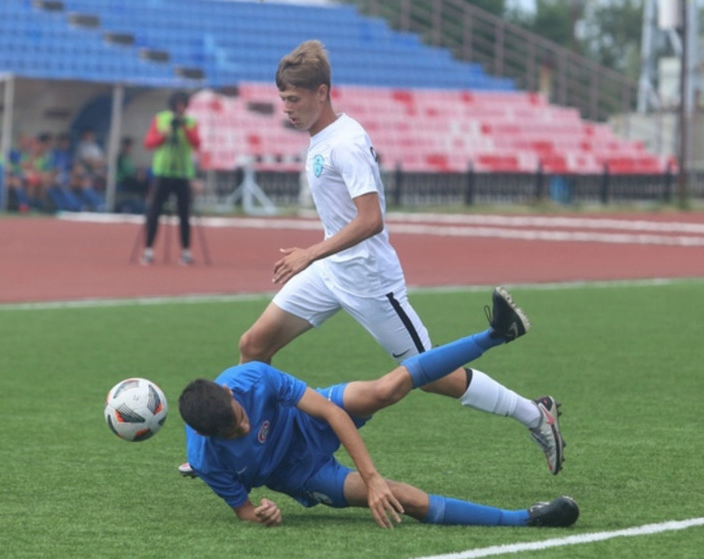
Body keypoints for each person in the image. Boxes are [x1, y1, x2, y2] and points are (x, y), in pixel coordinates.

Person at [206, 40, 563, 479]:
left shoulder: (347, 143)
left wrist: (310, 253)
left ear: (323, 92)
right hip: (331, 273)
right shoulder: (322, 138)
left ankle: (534, 414)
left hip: (370, 280)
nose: (287, 108)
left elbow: (371, 220)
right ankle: (238, 441)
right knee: (253, 346)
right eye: (282, 99)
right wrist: (318, 259)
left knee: (429, 375)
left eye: (294, 99)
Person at [179, 288, 579, 529]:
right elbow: (244, 511)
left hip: (307, 422)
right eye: (232, 434)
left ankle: (494, 334)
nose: (245, 430)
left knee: (387, 388)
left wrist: (371, 477)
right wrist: (263, 513)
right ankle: (527, 518)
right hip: (300, 474)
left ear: (230, 394)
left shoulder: (251, 377)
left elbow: (330, 413)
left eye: (242, 418)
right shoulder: (207, 459)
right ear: (206, 436)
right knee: (407, 500)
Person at [140, 91, 200, 266]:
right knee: (154, 211)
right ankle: (148, 249)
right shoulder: (161, 119)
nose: (180, 108)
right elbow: (149, 143)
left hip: (182, 173)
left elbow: (196, 143)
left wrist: (184, 128)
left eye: (183, 104)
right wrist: (163, 134)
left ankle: (186, 250)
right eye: (178, 104)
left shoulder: (190, 122)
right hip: (162, 171)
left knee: (183, 213)